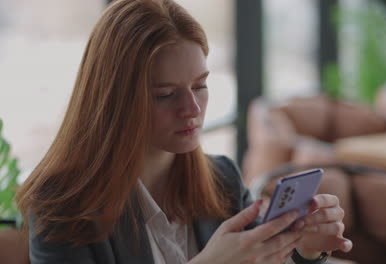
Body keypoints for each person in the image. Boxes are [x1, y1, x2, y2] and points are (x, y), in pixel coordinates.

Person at [15, 0, 352, 263]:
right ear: (115, 101)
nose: (192, 109)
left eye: (201, 85)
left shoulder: (223, 179)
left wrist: (305, 252)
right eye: (165, 94)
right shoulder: (61, 206)